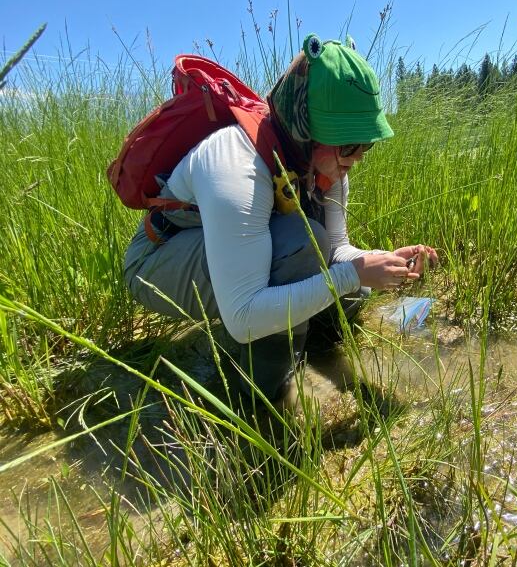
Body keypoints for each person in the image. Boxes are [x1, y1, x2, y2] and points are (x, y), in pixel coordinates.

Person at [123, 34, 438, 404]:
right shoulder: (236, 163)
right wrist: (352, 274)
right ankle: (262, 399)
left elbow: (338, 250)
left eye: (366, 145)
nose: (358, 158)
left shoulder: (328, 166)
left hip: (229, 251)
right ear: (305, 131)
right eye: (348, 145)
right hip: (158, 260)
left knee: (352, 283)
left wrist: (380, 262)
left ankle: (315, 343)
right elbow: (242, 317)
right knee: (299, 245)